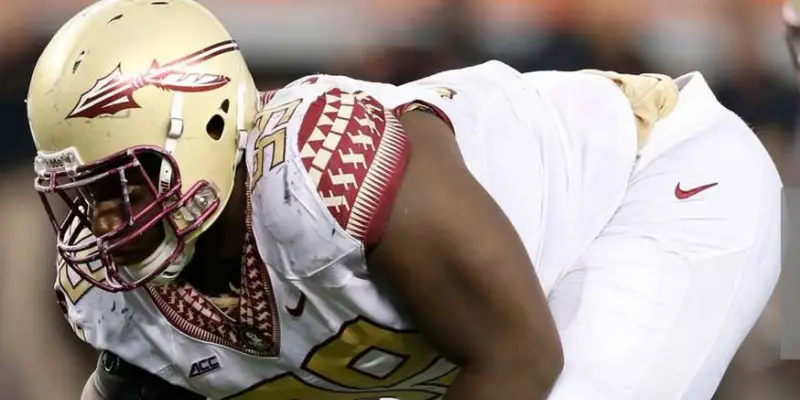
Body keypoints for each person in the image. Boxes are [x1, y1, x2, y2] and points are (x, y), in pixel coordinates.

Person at [26, 0, 781, 399]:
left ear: (211, 123)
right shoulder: (122, 301)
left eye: (123, 185)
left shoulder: (320, 173)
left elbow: (519, 358)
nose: (105, 221)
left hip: (652, 183)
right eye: (83, 197)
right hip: (505, 314)